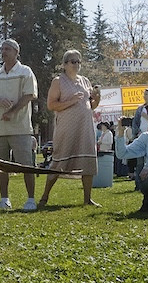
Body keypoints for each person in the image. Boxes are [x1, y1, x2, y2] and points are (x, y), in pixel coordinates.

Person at [39, 49, 101, 207]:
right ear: (64, 64)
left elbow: (91, 106)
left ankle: (87, 199)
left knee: (88, 163)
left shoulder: (85, 81)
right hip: (66, 128)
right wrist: (71, 101)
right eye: (73, 61)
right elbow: (51, 105)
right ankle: (44, 197)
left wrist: (97, 99)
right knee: (58, 162)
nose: (76, 64)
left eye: (78, 61)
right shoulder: (58, 81)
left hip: (85, 128)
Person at [0, 38, 38, 211]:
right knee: (1, 165)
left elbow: (29, 95)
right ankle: (4, 200)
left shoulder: (25, 71)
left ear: (16, 52)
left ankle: (31, 200)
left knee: (26, 165)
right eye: (2, 49)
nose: (3, 52)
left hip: (21, 127)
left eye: (8, 49)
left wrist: (12, 112)